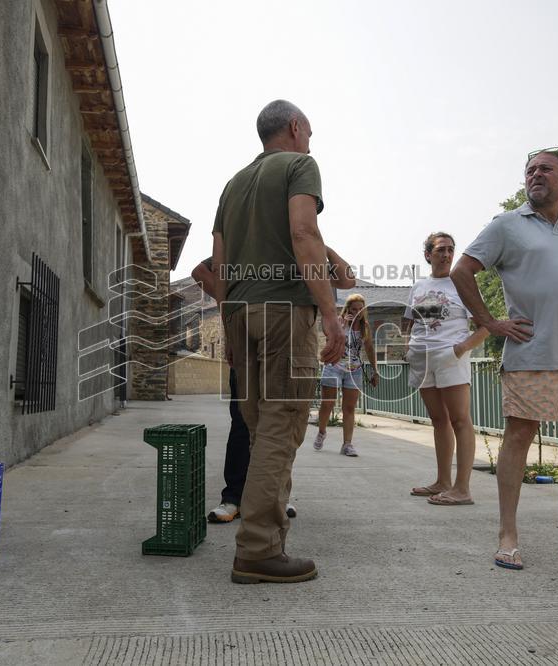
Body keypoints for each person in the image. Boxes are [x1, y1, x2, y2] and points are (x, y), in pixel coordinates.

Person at [451, 147, 558, 570]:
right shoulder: (506, 226)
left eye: (545, 169)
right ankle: (508, 535)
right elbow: (462, 271)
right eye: (530, 170)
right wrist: (490, 322)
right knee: (518, 438)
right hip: (531, 352)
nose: (535, 175)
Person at [211, 100, 345, 584]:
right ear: (294, 127)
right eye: (308, 131)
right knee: (280, 424)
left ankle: (265, 537)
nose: (310, 140)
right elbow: (304, 231)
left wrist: (227, 325)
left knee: (257, 423)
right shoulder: (300, 165)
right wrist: (331, 314)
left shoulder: (233, 184)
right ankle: (258, 550)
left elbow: (219, 261)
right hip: (285, 312)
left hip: (242, 313)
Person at [192, 249, 354, 523]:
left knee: (283, 421)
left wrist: (321, 246)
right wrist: (230, 313)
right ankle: (233, 497)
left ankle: (277, 495)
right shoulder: (248, 240)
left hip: (291, 341)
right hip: (249, 337)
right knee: (243, 420)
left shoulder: (306, 248)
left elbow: (347, 279)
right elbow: (201, 272)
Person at [402, 232, 488, 505]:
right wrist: (408, 347)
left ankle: (462, 488)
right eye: (440, 249)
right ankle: (442, 481)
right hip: (422, 359)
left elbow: (486, 326)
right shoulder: (418, 287)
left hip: (451, 356)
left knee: (460, 420)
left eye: (451, 249)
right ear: (428, 254)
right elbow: (409, 322)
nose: (447, 254)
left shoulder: (463, 284)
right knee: (439, 420)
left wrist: (461, 349)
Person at [313, 294, 378, 456]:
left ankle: (347, 444)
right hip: (334, 366)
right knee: (327, 404)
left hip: (354, 370)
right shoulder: (339, 323)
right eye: (354, 309)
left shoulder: (365, 327)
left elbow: (369, 349)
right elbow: (329, 340)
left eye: (360, 309)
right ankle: (322, 432)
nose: (357, 312)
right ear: (347, 309)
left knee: (349, 408)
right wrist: (343, 326)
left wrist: (375, 370)